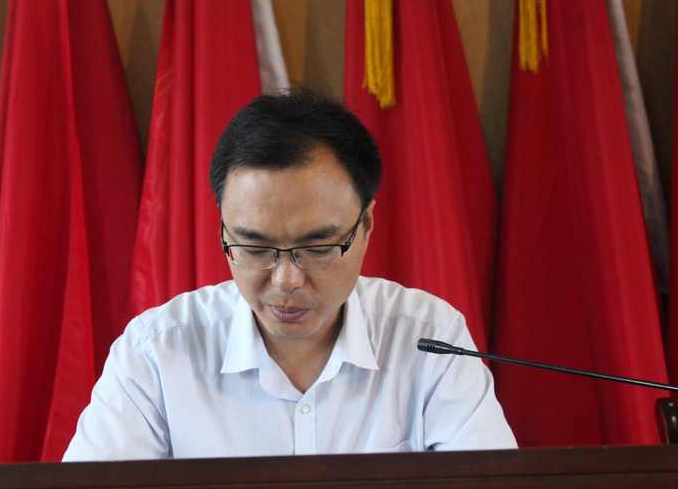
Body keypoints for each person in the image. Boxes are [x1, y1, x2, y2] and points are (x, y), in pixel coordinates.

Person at [63, 88, 516, 461]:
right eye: (255, 248)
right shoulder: (156, 354)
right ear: (223, 230)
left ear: (366, 225)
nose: (285, 280)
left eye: (316, 249)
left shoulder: (431, 342)